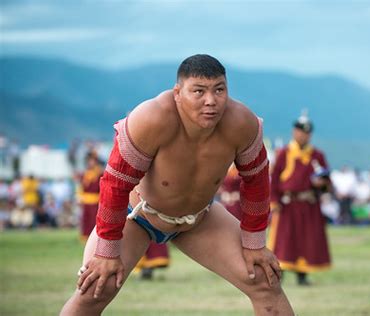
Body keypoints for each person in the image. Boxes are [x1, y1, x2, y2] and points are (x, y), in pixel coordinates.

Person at [60, 54, 294, 315]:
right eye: (199, 91)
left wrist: (255, 245)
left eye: (219, 90)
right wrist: (106, 252)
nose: (211, 101)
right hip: (137, 217)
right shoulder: (151, 118)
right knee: (95, 289)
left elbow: (257, 183)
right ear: (178, 93)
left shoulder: (242, 123)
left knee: (264, 280)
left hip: (199, 218)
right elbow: (115, 185)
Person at [267, 113, 331, 286]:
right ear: (294, 132)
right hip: (287, 204)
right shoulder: (284, 153)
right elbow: (274, 179)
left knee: (307, 240)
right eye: (301, 132)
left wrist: (321, 184)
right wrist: (274, 201)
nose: (304, 135)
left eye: (307, 133)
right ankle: (278, 275)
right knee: (284, 241)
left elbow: (327, 184)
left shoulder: (317, 155)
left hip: (309, 204)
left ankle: (302, 276)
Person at [78, 152, 103, 242]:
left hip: (96, 200)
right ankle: (85, 237)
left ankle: (96, 238)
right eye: (89, 161)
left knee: (94, 220)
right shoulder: (85, 173)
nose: (90, 163)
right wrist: (80, 197)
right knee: (85, 220)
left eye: (92, 160)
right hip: (85, 200)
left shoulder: (99, 172)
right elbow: (82, 187)